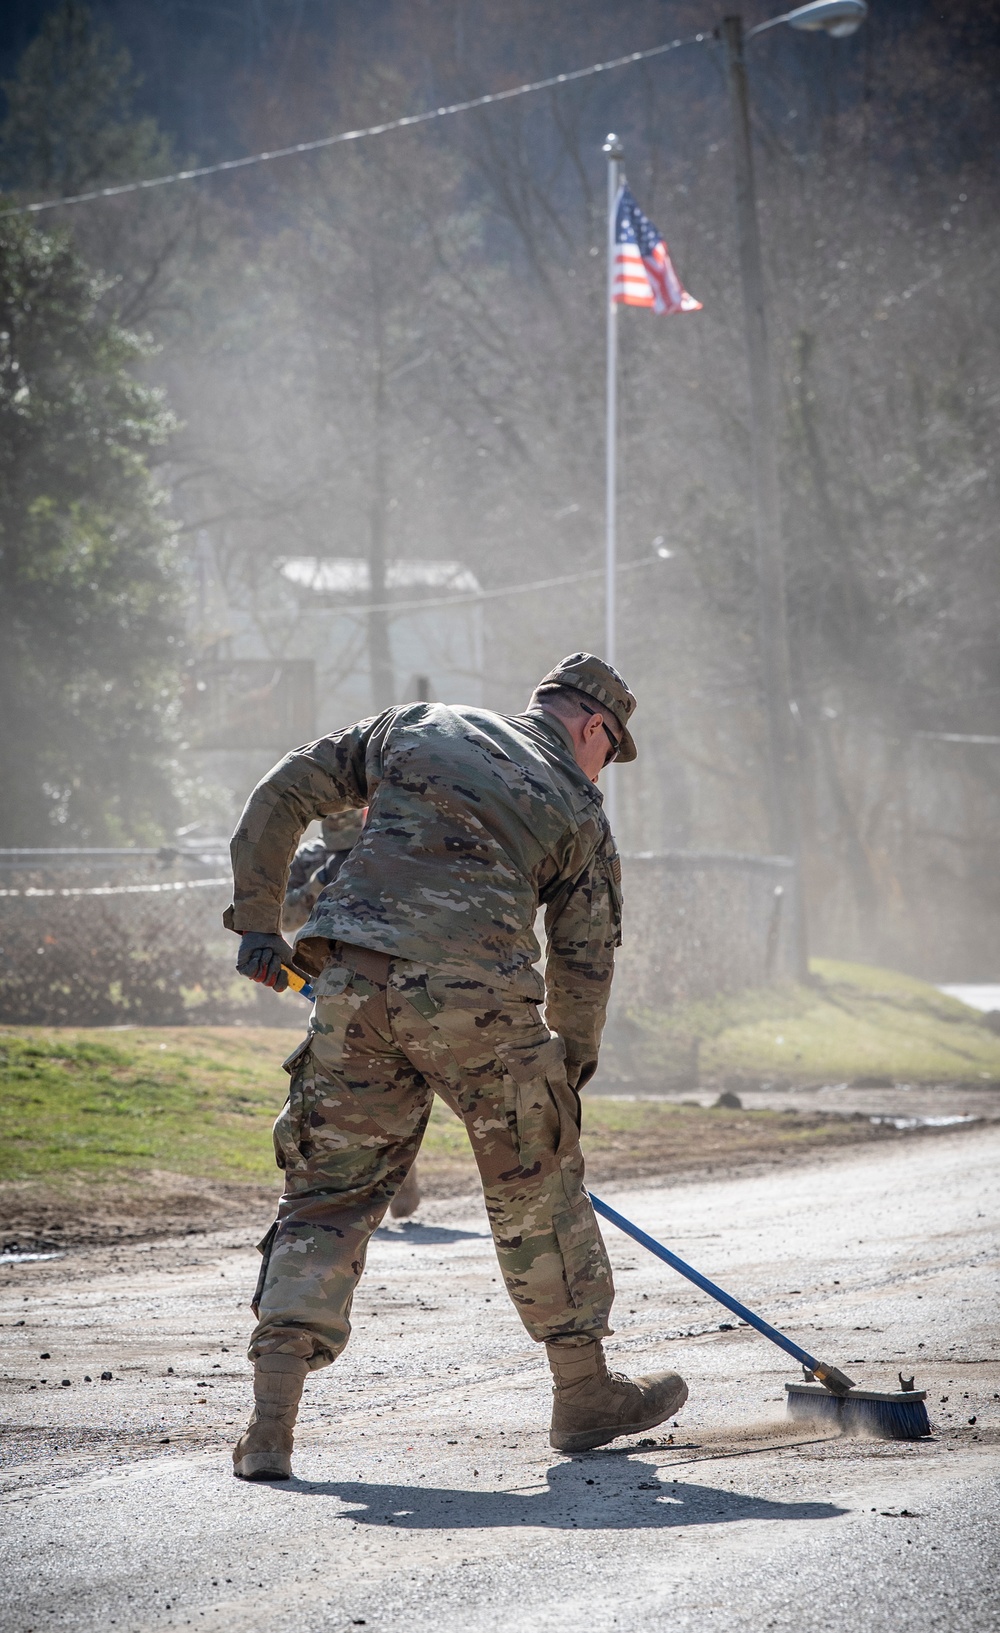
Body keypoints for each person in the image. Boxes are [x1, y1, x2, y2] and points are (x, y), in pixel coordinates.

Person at [224, 653, 687, 1481]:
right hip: (485, 1004)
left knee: (328, 1191)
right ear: (592, 728)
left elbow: (282, 790)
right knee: (534, 1188)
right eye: (609, 752)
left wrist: (259, 921)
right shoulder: (578, 808)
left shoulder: (414, 726)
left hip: (353, 986)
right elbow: (587, 961)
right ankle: (583, 1395)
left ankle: (269, 1426)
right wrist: (562, 1085)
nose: (604, 770)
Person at [282, 809, 423, 1220]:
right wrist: (321, 881)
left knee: (402, 1084)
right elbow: (284, 917)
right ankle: (332, 1197)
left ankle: (400, 1181)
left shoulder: (390, 852)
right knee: (336, 1094)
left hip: (390, 984)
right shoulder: (312, 861)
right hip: (330, 988)